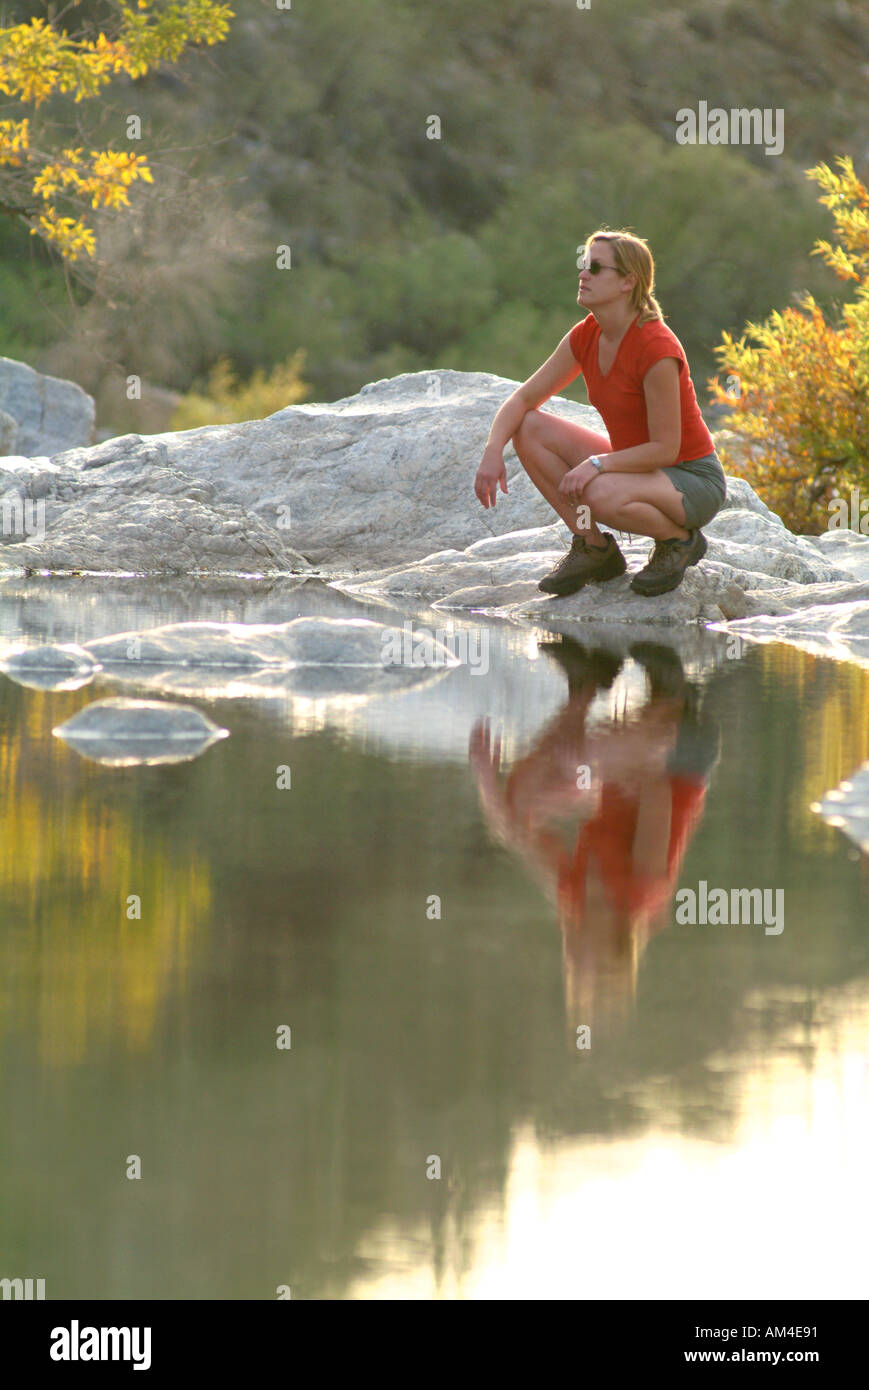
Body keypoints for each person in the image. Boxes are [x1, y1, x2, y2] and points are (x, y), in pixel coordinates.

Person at [473, 228, 727, 597]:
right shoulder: (586, 335)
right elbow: (523, 399)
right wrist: (493, 450)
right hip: (639, 468)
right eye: (582, 265)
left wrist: (596, 464)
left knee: (599, 491)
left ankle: (680, 541)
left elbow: (665, 451)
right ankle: (594, 546)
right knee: (528, 427)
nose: (583, 274)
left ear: (628, 282)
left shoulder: (656, 349)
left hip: (690, 480)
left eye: (595, 267)